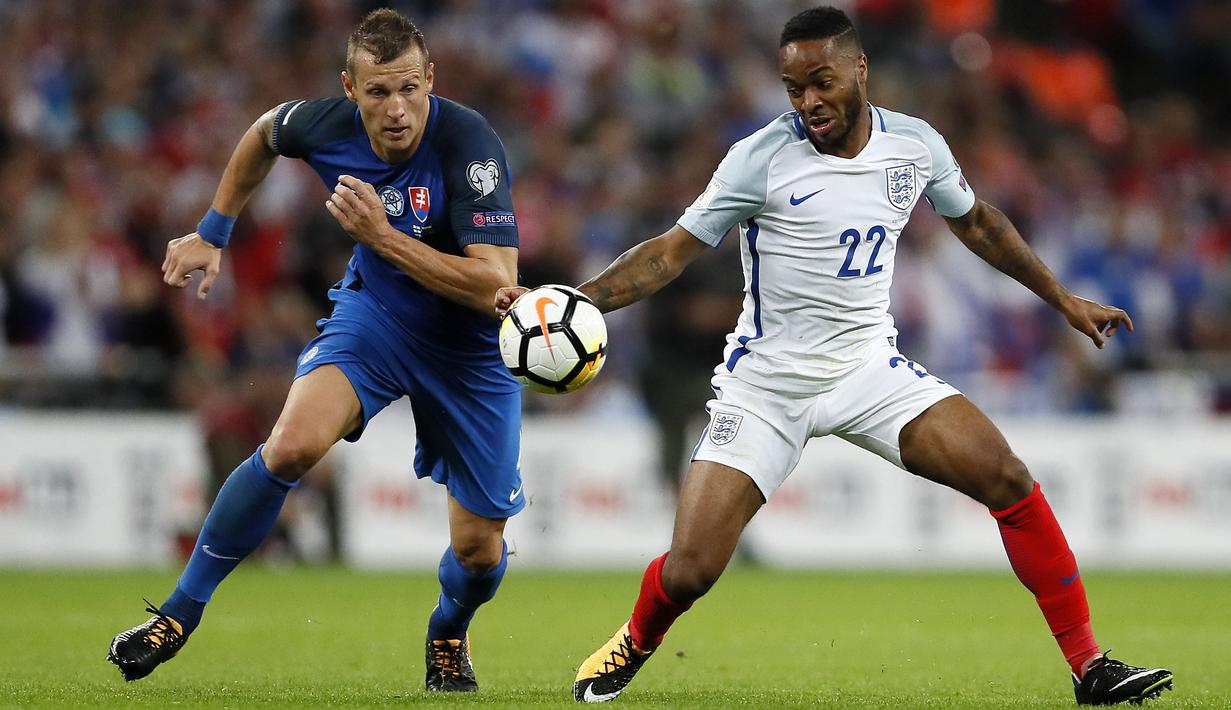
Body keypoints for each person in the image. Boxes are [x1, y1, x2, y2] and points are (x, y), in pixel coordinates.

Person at [497, 7, 1172, 706]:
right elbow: (669, 252)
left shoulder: (914, 146)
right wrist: (577, 302)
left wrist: (1060, 298)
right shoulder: (759, 157)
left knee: (1006, 478)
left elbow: (976, 222)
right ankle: (635, 639)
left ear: (858, 69)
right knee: (692, 569)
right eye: (793, 89)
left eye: (820, 82)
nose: (808, 102)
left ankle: (1090, 667)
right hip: (766, 386)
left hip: (866, 369)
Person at [108, 9, 523, 693]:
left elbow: (495, 286)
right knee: (291, 446)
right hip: (378, 320)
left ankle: (448, 631)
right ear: (349, 88)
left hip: (472, 351)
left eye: (408, 90)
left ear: (430, 80)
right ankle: (176, 616)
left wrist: (383, 237)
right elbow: (263, 133)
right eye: (377, 92)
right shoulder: (322, 124)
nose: (395, 110)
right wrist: (213, 230)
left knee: (479, 552)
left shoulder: (469, 145)